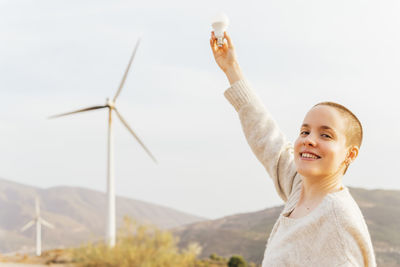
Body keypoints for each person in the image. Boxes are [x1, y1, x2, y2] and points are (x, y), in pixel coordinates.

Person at [210, 31, 377, 267]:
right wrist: (231, 68)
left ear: (350, 154)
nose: (309, 140)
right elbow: (267, 138)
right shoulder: (299, 187)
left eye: (326, 134)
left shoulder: (338, 221)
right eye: (305, 131)